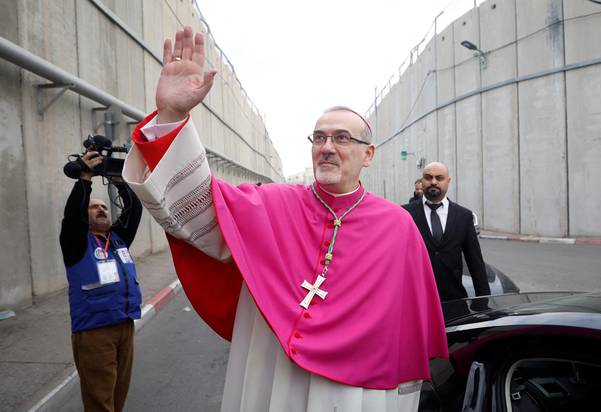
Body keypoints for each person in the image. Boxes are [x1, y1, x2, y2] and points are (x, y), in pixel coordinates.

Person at [122, 26, 447, 412]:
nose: (327, 148)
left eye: (342, 138)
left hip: (355, 393)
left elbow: (407, 331)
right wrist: (172, 116)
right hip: (275, 379)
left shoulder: (398, 226)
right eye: (319, 138)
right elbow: (196, 210)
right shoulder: (271, 203)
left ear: (369, 153)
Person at [59, 151, 143, 411]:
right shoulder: (77, 241)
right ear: (86, 216)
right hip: (95, 331)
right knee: (99, 400)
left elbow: (134, 210)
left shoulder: (117, 238)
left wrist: (119, 181)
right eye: (94, 206)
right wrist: (84, 178)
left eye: (104, 206)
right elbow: (72, 216)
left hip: (125, 326)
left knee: (118, 395)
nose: (101, 209)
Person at [403, 162, 490, 302]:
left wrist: (484, 302)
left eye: (439, 178)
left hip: (454, 300)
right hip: (415, 301)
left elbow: (475, 263)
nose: (433, 182)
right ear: (422, 180)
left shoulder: (464, 216)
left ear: (448, 181)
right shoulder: (405, 214)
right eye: (428, 177)